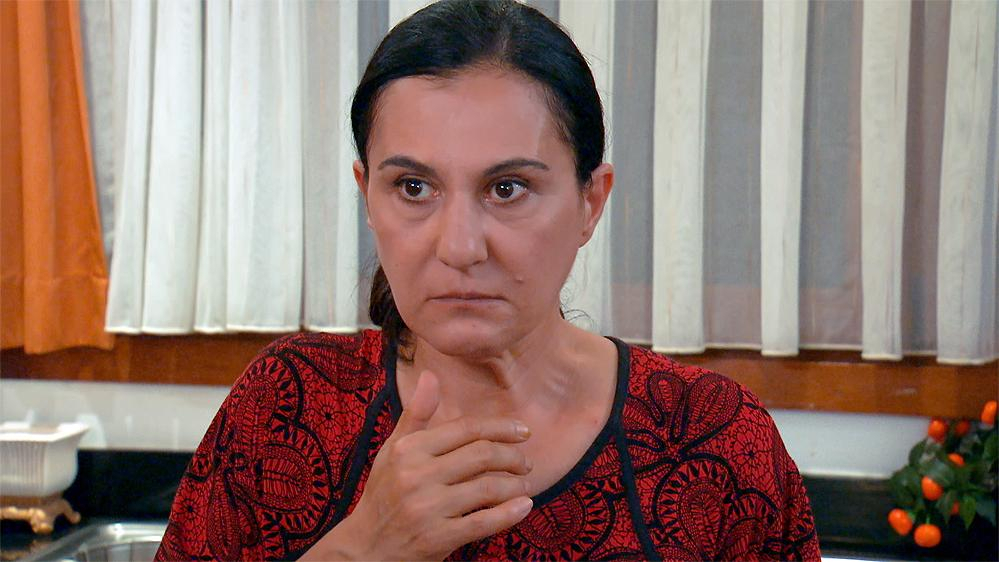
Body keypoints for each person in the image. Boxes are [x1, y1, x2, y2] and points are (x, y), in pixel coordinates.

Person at [156, 1, 821, 560]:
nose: (460, 247)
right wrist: (361, 548)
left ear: (590, 202)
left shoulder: (712, 439)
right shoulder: (284, 409)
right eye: (413, 187)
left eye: (507, 188)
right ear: (367, 196)